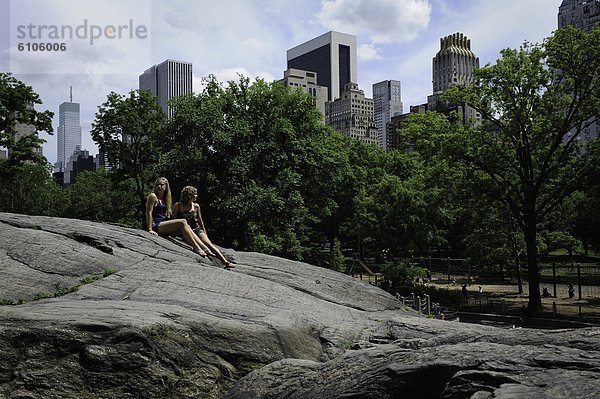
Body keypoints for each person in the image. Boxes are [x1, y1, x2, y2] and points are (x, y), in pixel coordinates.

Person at [145, 177, 211, 257]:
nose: (159, 186)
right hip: (157, 226)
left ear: (166, 187)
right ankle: (196, 247)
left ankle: (204, 248)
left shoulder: (165, 199)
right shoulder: (153, 196)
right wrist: (150, 229)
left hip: (164, 225)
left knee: (187, 226)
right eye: (157, 185)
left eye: (162, 185)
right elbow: (149, 212)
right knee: (182, 222)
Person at [173, 186, 235, 269]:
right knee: (199, 243)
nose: (196, 196)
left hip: (196, 228)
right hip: (186, 230)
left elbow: (200, 221)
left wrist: (204, 232)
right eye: (195, 194)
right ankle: (208, 254)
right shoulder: (178, 206)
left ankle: (225, 262)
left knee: (209, 244)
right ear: (189, 196)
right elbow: (174, 220)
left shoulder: (196, 206)